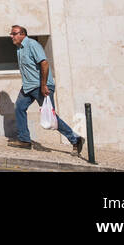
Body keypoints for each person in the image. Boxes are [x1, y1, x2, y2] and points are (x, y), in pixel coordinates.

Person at [8, 24, 84, 155]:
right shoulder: (19, 48)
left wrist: (44, 85)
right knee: (19, 107)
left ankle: (75, 139)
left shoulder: (32, 45)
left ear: (22, 34)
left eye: (14, 34)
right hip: (28, 86)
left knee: (50, 116)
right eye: (11, 34)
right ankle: (24, 140)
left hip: (40, 86)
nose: (11, 36)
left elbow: (44, 63)